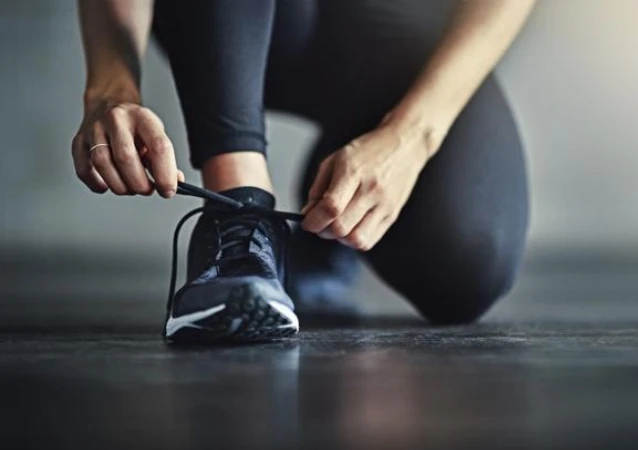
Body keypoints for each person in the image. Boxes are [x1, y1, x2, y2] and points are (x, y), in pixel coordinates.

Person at [72, 0, 534, 343]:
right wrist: (110, 88)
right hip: (227, 19)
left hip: (399, 25)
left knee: (468, 265)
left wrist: (412, 136)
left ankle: (324, 216)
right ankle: (239, 220)